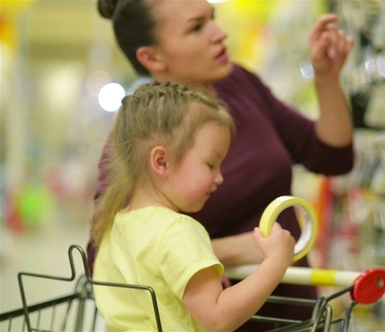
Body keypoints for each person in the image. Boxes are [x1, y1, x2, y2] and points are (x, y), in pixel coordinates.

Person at [90, 0, 355, 329]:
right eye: (196, 27)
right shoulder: (139, 136)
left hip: (294, 310)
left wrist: (327, 79)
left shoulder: (239, 84)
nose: (219, 34)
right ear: (152, 57)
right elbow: (107, 253)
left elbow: (332, 156)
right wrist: (224, 252)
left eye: (212, 19)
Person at [92, 81, 296, 331]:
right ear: (162, 161)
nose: (220, 177)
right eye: (211, 164)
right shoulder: (177, 231)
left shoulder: (116, 226)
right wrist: (276, 262)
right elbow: (218, 318)